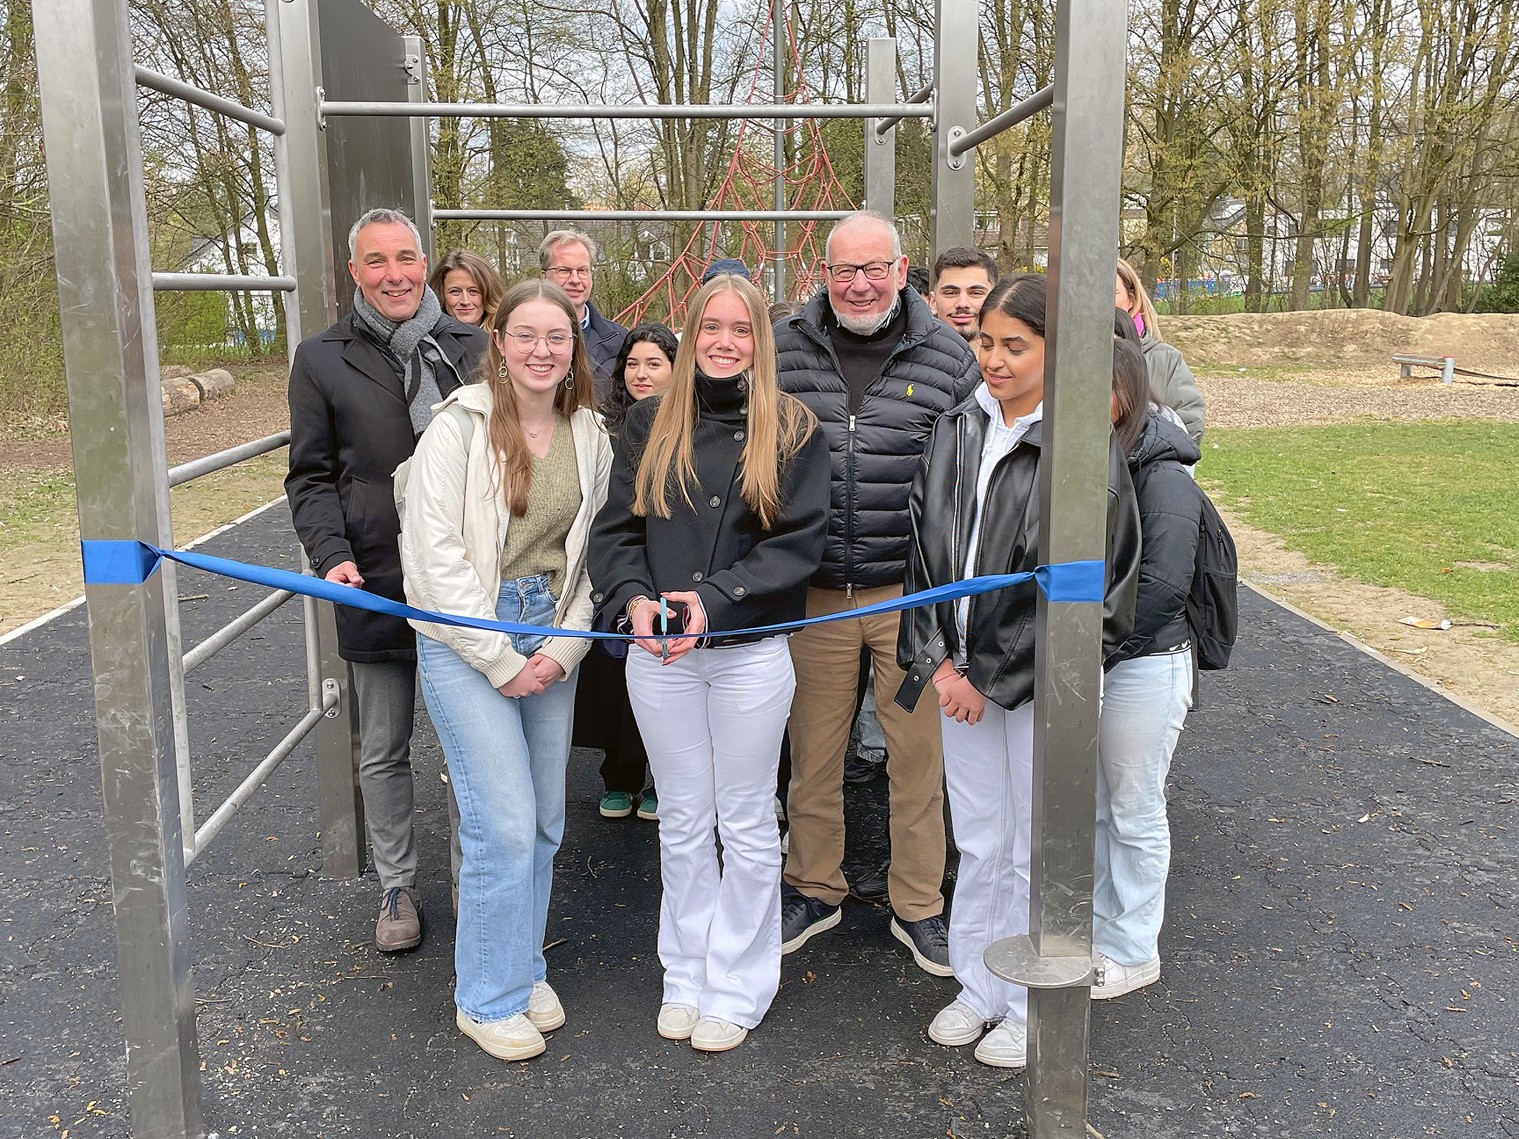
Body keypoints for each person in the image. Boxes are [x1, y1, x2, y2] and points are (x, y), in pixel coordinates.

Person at [897, 272, 1141, 1068]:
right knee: (981, 834)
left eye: (1013, 345)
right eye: (983, 342)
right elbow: (924, 550)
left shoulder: (1077, 447)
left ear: (1055, 349)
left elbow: (1083, 594)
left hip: (1034, 686)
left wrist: (990, 679)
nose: (992, 359)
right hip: (956, 674)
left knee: (1039, 842)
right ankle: (980, 982)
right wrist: (935, 659)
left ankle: (1033, 999)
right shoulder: (956, 426)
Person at [591, 274, 829, 1053]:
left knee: (748, 818)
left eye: (741, 329)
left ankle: (738, 978)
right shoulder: (651, 419)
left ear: (761, 341)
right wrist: (630, 597)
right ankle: (685, 970)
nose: (724, 341)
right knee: (685, 819)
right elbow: (617, 529)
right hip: (657, 655)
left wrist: (714, 599)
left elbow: (795, 545)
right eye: (710, 327)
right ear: (690, 334)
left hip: (747, 653)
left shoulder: (792, 427)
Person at [398, 279, 611, 1062]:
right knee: (502, 822)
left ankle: (521, 967)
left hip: (550, 627)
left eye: (557, 337)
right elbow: (431, 561)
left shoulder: (589, 432)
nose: (542, 350)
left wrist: (562, 647)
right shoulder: (455, 429)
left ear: (573, 347)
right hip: (466, 635)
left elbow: (591, 558)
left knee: (546, 821)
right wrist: (497, 657)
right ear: (499, 342)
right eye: (525, 335)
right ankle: (484, 997)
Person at [773, 210, 979, 977]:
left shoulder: (949, 355)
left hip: (908, 593)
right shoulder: (783, 346)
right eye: (842, 270)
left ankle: (919, 902)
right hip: (817, 591)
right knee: (814, 754)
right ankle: (814, 885)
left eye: (873, 268)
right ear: (821, 275)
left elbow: (969, 478)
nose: (858, 284)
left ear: (900, 270)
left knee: (914, 757)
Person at [285, 207, 486, 953]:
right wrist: (330, 554)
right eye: (377, 261)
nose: (395, 274)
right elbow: (309, 476)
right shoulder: (322, 357)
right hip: (374, 573)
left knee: (472, 738)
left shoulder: (474, 347)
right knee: (385, 744)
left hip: (467, 579)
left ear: (423, 262)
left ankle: (476, 875)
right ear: (354, 272)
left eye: (406, 257)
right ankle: (396, 884)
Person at [1092, 336, 1201, 999]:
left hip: (1144, 661)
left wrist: (1089, 647)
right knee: (1100, 806)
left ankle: (1133, 948)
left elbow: (1161, 585)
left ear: (1126, 390)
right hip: (1103, 655)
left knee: (1131, 808)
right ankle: (1104, 926)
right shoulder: (1091, 455)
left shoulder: (1161, 473)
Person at [576, 321, 680, 821]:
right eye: (632, 363)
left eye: (654, 363)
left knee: (669, 671)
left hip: (671, 561)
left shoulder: (688, 424)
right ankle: (619, 774)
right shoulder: (605, 426)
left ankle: (663, 776)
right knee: (616, 677)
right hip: (620, 561)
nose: (641, 373)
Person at [1116, 257, 1206, 443]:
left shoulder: (1165, 359)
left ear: (1131, 299)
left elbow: (1189, 425)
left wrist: (1155, 464)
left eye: (1110, 292)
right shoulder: (1065, 355)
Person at [540, 229, 627, 399]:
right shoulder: (522, 337)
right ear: (544, 276)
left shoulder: (620, 340)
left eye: (582, 271)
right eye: (564, 270)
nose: (575, 280)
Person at [928, 246, 999, 343]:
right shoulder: (909, 355)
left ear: (997, 300)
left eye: (975, 293)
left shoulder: (1021, 356)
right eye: (951, 293)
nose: (962, 303)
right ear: (933, 302)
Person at [428, 248, 505, 329]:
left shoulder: (507, 337)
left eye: (473, 291)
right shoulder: (428, 339)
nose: (465, 301)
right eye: (455, 291)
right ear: (441, 294)